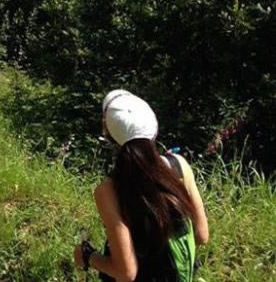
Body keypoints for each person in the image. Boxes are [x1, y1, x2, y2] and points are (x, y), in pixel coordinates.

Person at [74, 90, 209, 281]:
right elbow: (202, 235)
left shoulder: (109, 190)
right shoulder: (179, 166)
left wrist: (87, 256)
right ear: (153, 128)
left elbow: (126, 273)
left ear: (109, 135)